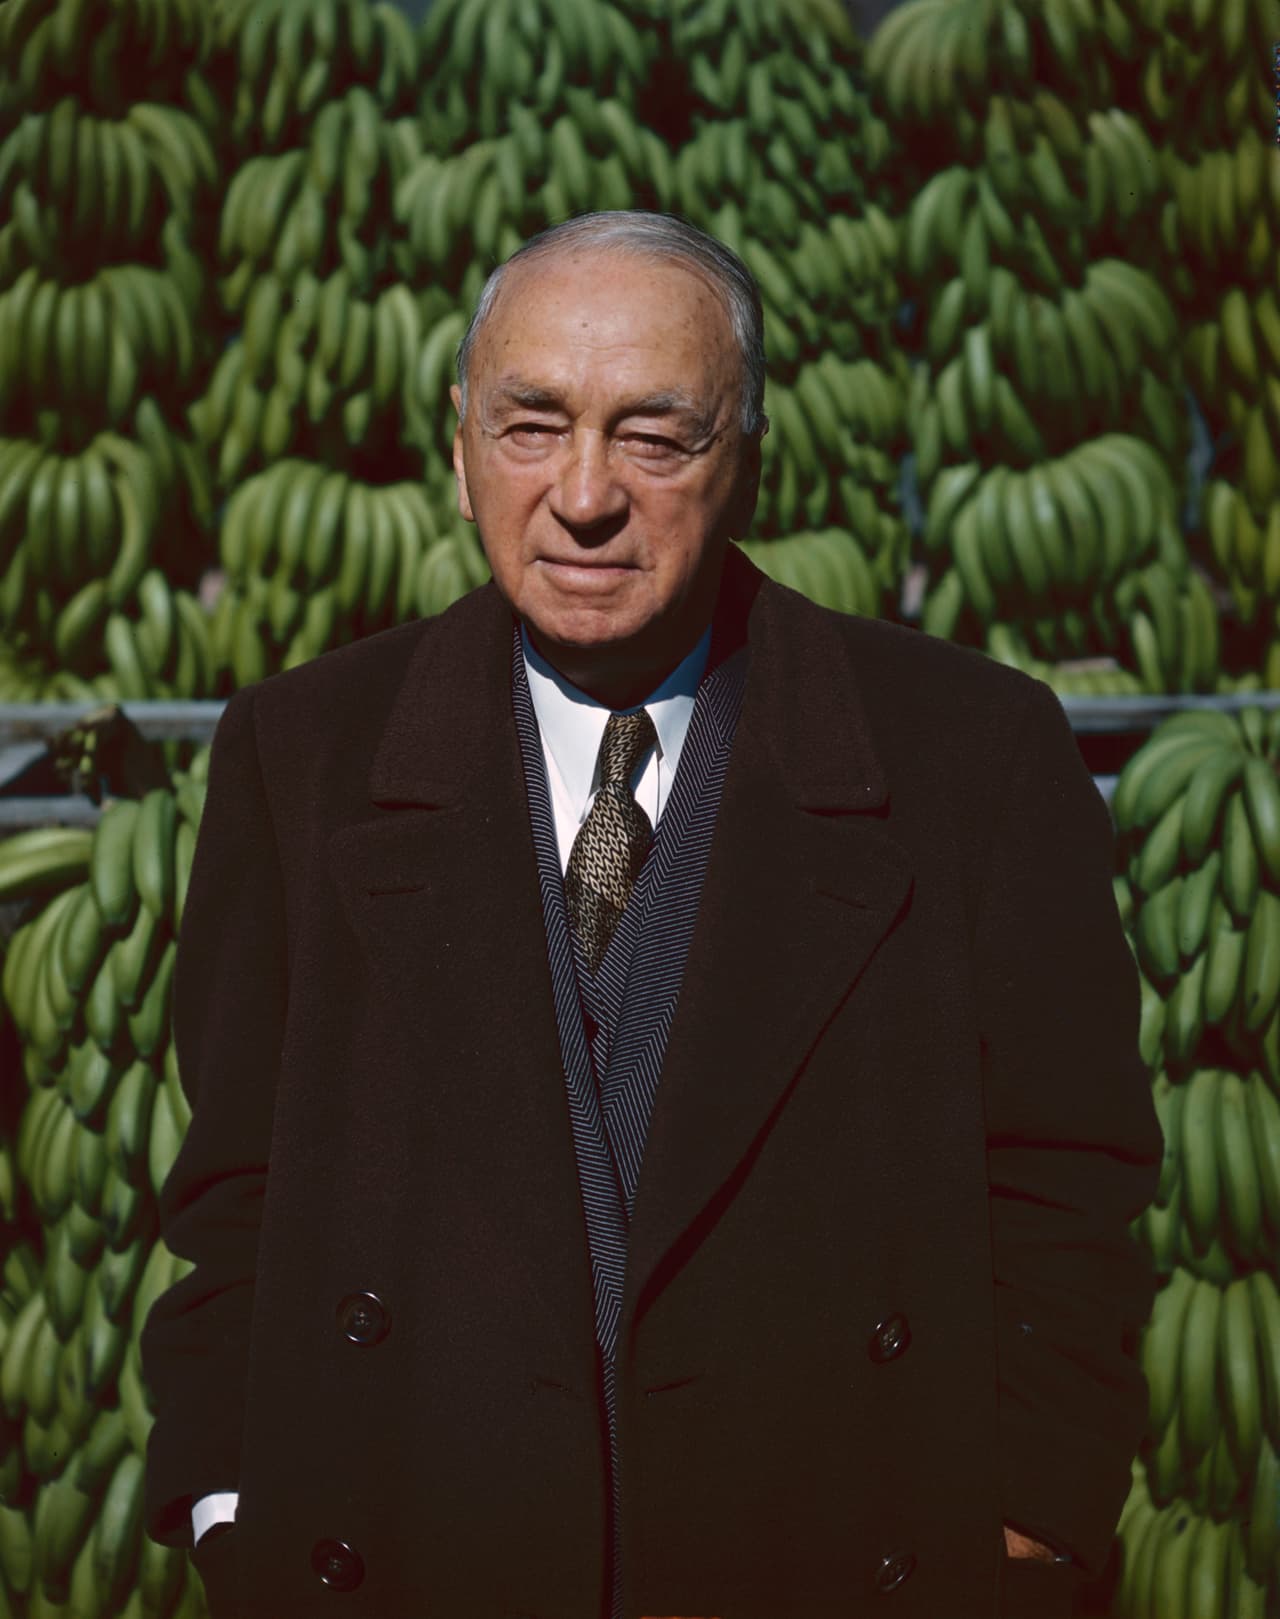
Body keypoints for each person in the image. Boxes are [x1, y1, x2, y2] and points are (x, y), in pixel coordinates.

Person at [140, 210, 1162, 1619]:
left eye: (654, 436)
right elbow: (237, 1192)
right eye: (532, 424)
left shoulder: (967, 755)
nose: (583, 494)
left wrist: (1027, 1524)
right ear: (458, 449)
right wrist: (229, 1507)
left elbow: (1069, 1186)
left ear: (746, 457)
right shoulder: (303, 755)